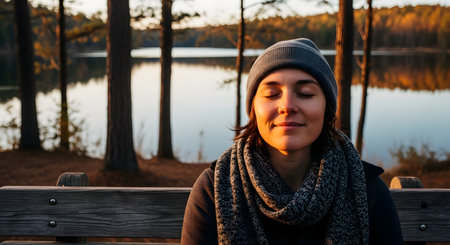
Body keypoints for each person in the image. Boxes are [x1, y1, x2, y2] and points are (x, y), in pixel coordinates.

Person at [181, 38, 403, 244]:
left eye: (305, 93)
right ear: (253, 110)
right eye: (271, 94)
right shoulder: (214, 188)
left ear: (327, 109)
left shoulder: (366, 189)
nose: (287, 106)